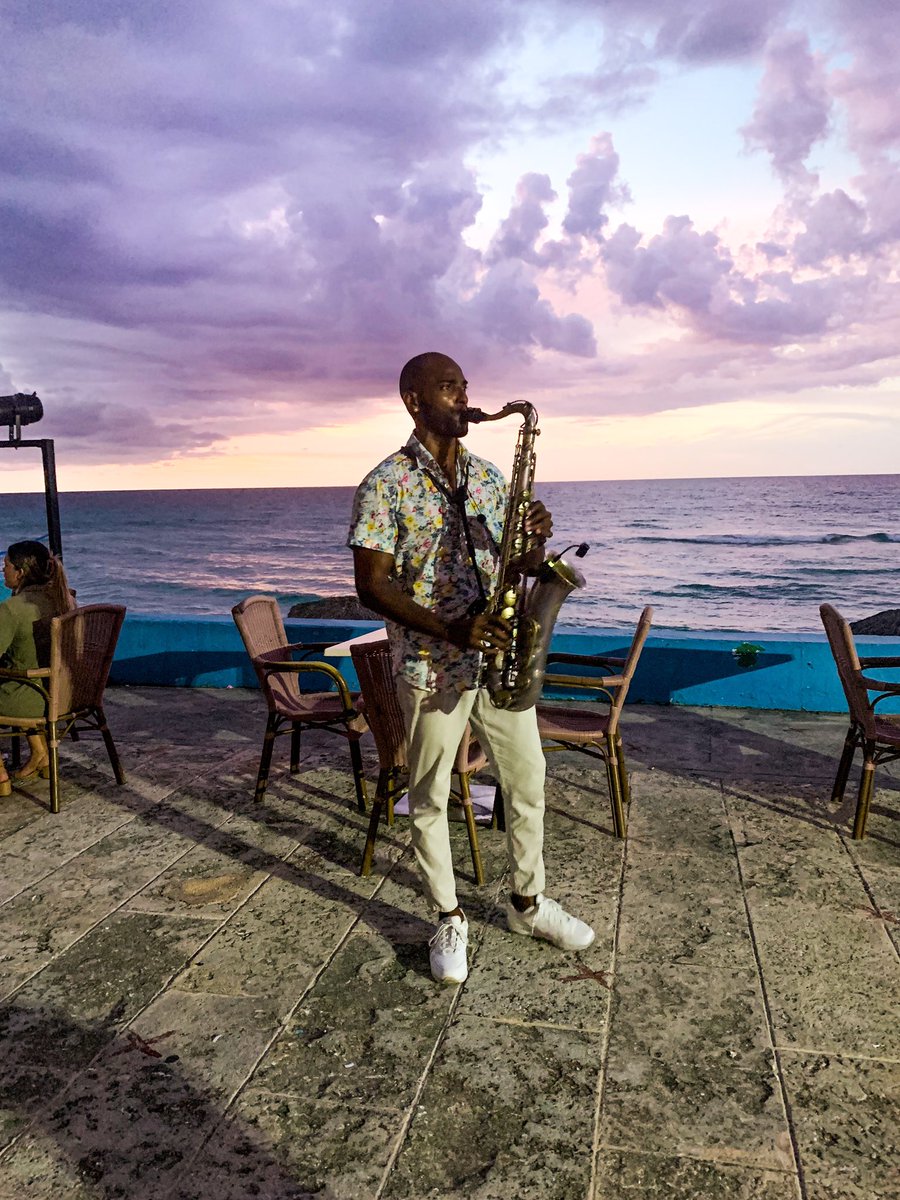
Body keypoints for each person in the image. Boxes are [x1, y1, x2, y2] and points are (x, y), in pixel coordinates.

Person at [348, 351, 594, 984]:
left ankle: (527, 903)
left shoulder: (488, 477)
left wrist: (536, 542)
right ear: (414, 400)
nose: (464, 398)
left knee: (529, 782)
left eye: (464, 386)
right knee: (429, 795)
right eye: (448, 387)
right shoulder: (385, 483)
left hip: (500, 662)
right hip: (434, 665)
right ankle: (448, 915)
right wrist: (452, 627)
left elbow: (520, 563)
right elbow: (371, 587)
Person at [0, 541, 76, 795]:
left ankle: (0, 775)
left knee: (14, 679)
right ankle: (40, 754)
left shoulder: (12, 609)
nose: (3, 570)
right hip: (64, 696)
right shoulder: (64, 601)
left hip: (30, 699)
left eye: (6, 564)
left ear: (20, 572)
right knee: (23, 669)